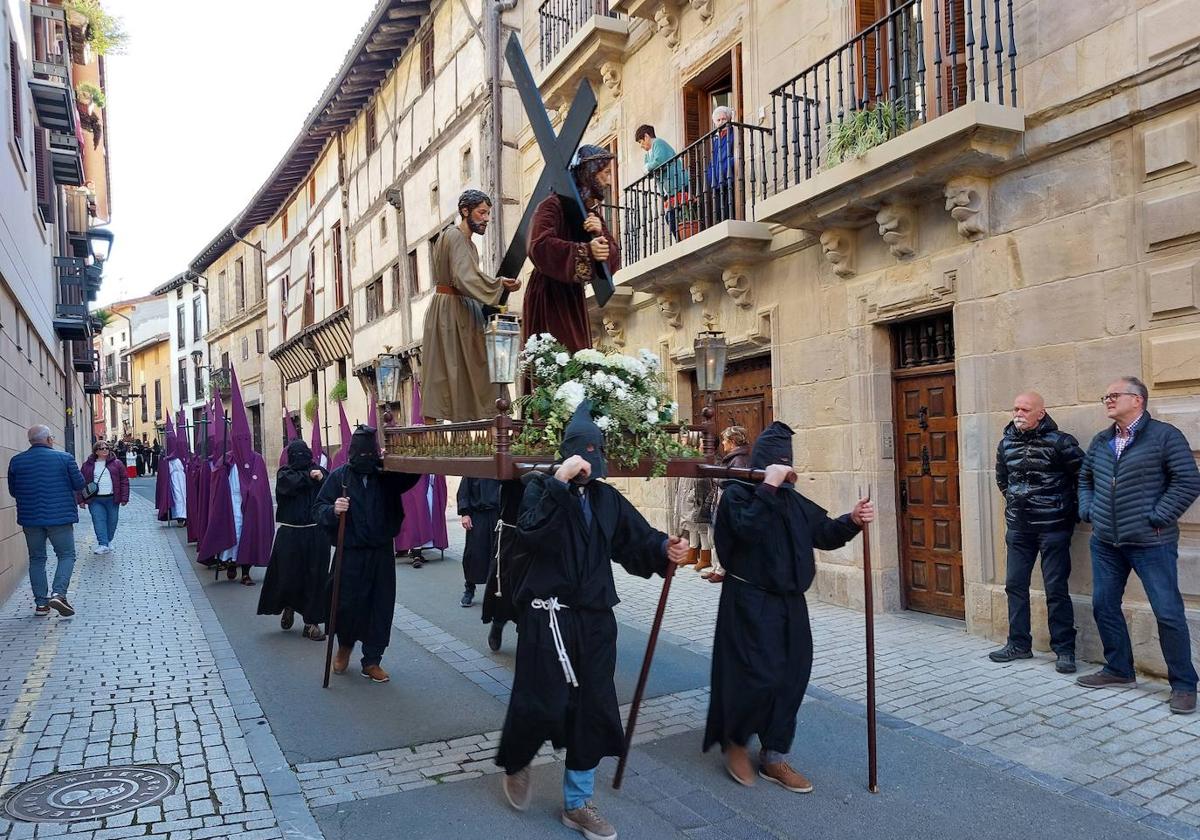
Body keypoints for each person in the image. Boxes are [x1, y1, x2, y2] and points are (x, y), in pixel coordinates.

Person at [496, 402, 689, 840]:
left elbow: (635, 538)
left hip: (596, 619)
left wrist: (663, 548)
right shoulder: (537, 490)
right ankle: (518, 761)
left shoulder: (607, 499)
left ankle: (578, 802)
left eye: (594, 455)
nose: (588, 464)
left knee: (594, 707)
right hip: (548, 618)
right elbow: (530, 534)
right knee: (540, 700)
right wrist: (558, 485)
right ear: (565, 456)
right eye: (580, 456)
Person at [704, 421, 874, 792]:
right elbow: (745, 532)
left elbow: (824, 532)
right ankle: (735, 742)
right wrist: (768, 486)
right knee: (752, 675)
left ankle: (774, 756)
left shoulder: (792, 501)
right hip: (748, 601)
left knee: (792, 675)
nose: (786, 471)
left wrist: (852, 521)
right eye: (778, 465)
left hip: (790, 604)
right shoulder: (737, 495)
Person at [1077, 377, 1200, 714]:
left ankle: (1185, 684)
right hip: (1106, 541)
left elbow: (1188, 480)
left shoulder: (1164, 436)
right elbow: (1085, 479)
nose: (1108, 400)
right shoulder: (1102, 441)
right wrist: (1088, 509)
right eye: (1106, 395)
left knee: (1168, 611)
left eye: (1114, 395)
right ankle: (1119, 669)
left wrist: (1158, 516)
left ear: (1138, 400)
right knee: (1103, 604)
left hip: (1151, 541)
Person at [314, 426, 421, 683]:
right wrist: (333, 509)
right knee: (347, 604)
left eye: (368, 454)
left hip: (381, 552)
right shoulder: (339, 477)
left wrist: (413, 446)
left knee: (379, 605)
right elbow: (318, 508)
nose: (364, 459)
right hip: (349, 553)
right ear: (351, 453)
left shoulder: (386, 476)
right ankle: (344, 647)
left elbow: (412, 474)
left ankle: (372, 660)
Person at [990, 391, 1084, 672]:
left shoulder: (1061, 442)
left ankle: (1065, 651)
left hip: (1054, 527)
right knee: (1015, 585)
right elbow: (1001, 479)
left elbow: (1084, 476)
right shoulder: (1005, 443)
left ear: (1040, 413)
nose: (1018, 413)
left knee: (1056, 589)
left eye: (1025, 409)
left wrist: (1069, 510)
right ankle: (1018, 644)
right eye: (1016, 408)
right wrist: (1018, 502)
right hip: (1019, 527)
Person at [421, 190, 521, 422]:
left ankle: (489, 427)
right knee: (448, 371)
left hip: (462, 308)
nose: (486, 218)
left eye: (488, 214)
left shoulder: (468, 243)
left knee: (469, 370)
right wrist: (498, 285)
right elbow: (463, 277)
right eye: (481, 212)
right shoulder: (454, 236)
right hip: (452, 310)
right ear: (465, 211)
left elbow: (466, 277)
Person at [524, 145, 621, 353]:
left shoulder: (592, 215)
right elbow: (538, 245)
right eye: (605, 173)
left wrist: (599, 235)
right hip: (549, 294)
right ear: (589, 173)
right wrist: (586, 251)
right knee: (556, 362)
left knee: (579, 360)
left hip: (573, 296)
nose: (609, 181)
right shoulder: (551, 206)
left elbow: (613, 258)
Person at [6, 425, 85, 617]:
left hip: (30, 519)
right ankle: (59, 594)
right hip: (60, 518)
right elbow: (80, 484)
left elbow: (13, 491)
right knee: (66, 555)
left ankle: (41, 605)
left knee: (37, 559)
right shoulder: (65, 458)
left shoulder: (16, 461)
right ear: (49, 439)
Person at [258, 440, 332, 640]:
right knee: (288, 576)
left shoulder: (320, 471)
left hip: (316, 533)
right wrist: (309, 476)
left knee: (316, 578)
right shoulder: (284, 474)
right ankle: (289, 605)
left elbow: (330, 484)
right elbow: (289, 484)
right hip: (290, 534)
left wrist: (321, 475)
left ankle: (312, 623)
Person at [707, 425, 752, 584]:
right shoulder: (734, 457)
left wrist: (716, 477)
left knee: (723, 535)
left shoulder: (738, 459)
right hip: (721, 500)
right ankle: (717, 567)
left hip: (728, 502)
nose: (723, 443)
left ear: (733, 442)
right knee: (714, 533)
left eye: (725, 440)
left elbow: (732, 482)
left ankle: (723, 569)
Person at [635, 124, 689, 241]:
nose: (641, 145)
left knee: (678, 214)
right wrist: (649, 168)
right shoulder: (647, 155)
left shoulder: (658, 143)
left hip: (678, 184)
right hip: (668, 191)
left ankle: (683, 239)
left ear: (646, 136)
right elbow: (649, 174)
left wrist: (648, 167)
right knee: (671, 216)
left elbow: (659, 161)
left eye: (640, 141)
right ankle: (680, 239)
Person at [456, 477, 501, 608]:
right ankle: (469, 589)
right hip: (477, 515)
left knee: (497, 554)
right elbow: (464, 490)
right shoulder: (474, 466)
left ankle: (496, 592)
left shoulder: (500, 465)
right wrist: (465, 513)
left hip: (497, 515)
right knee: (473, 554)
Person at [80, 440, 129, 555]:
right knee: (98, 521)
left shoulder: (117, 463)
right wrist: (81, 500)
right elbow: (81, 483)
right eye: (102, 448)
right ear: (96, 451)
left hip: (113, 498)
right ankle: (102, 544)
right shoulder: (87, 465)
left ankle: (108, 540)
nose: (105, 450)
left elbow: (124, 481)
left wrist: (124, 498)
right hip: (95, 499)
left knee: (112, 521)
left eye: (107, 448)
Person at [674, 477, 714, 572]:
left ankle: (705, 558)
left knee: (702, 528)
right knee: (691, 527)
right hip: (688, 495)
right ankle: (691, 555)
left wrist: (692, 495)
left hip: (698, 497)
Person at [705, 106, 736, 226]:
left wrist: (728, 165)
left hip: (730, 177)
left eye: (724, 119)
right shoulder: (716, 140)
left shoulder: (734, 133)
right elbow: (713, 160)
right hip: (717, 182)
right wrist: (710, 175)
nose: (721, 122)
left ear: (729, 120)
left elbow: (736, 153)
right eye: (718, 120)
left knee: (730, 209)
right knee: (719, 212)